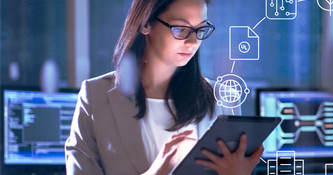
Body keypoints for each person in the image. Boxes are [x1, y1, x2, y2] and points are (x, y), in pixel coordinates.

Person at [64, 0, 263, 174]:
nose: (192, 42)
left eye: (200, 30)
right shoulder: (96, 95)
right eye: (181, 29)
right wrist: (157, 171)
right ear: (146, 24)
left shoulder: (222, 98)